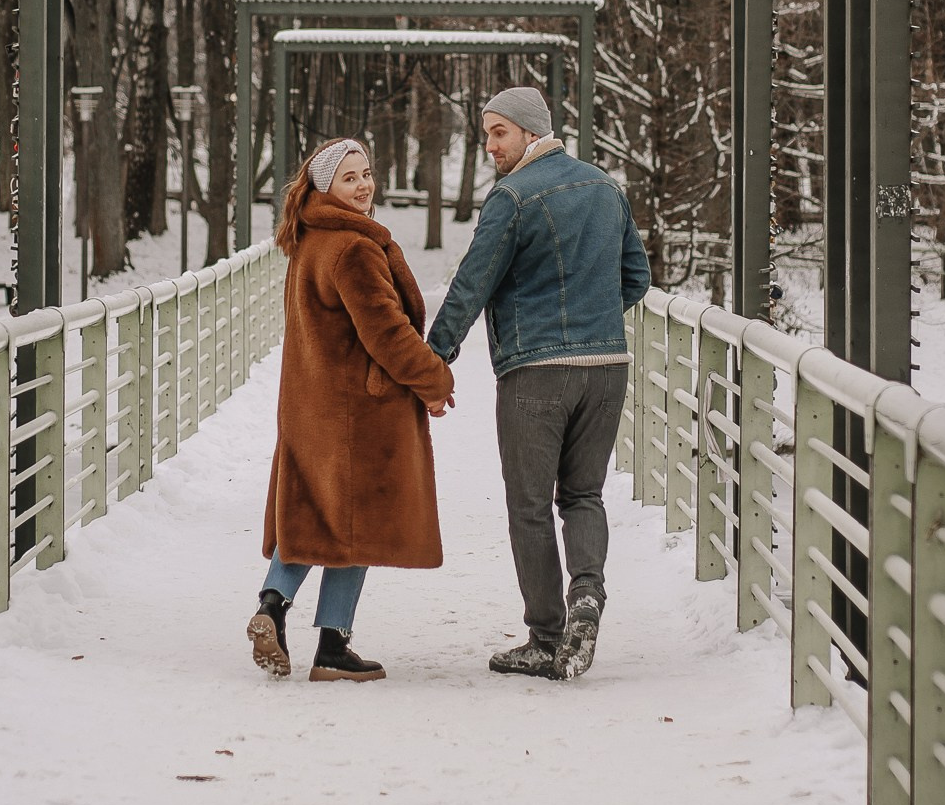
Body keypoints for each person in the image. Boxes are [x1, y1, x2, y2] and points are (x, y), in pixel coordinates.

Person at [427, 87, 650, 683]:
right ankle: (587, 596)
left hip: (535, 372)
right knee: (583, 495)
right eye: (486, 134)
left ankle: (547, 638)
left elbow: (471, 285)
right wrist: (593, 319)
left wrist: (432, 360)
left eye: (499, 132)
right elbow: (637, 277)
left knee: (529, 507)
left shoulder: (513, 197)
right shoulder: (605, 187)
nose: (490, 146)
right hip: (607, 367)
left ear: (531, 131)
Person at [249, 137, 455, 683]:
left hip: (310, 404)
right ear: (326, 187)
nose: (364, 185)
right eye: (349, 177)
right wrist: (434, 380)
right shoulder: (354, 248)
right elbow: (387, 333)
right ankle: (333, 647)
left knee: (314, 513)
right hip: (358, 412)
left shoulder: (310, 240)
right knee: (358, 522)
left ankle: (272, 606)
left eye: (366, 173)